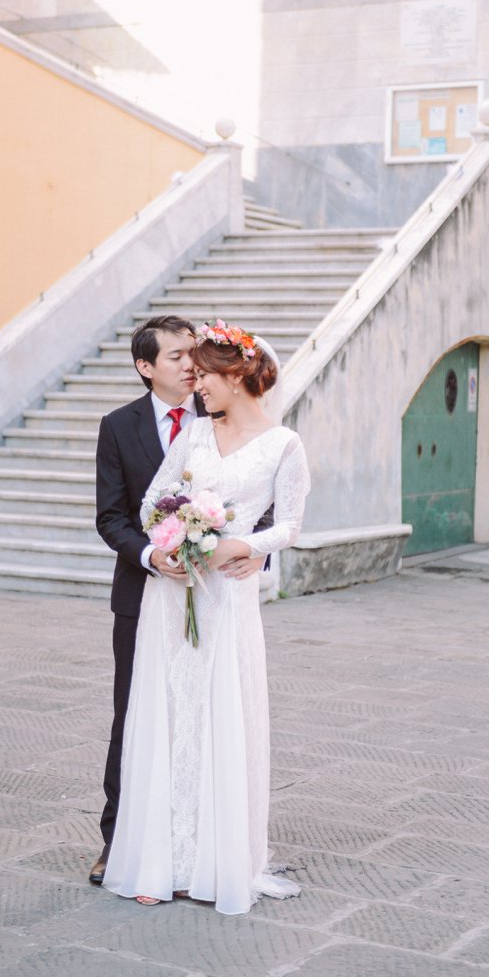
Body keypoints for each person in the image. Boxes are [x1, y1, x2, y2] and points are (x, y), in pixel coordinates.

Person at [101, 320, 311, 914]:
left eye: (208, 376)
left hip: (227, 599)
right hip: (174, 594)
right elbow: (150, 502)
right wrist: (173, 539)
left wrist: (243, 546)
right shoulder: (193, 434)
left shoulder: (283, 444)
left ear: (237, 375)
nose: (197, 386)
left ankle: (213, 863)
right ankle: (159, 860)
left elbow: (290, 524)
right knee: (168, 714)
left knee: (219, 716)